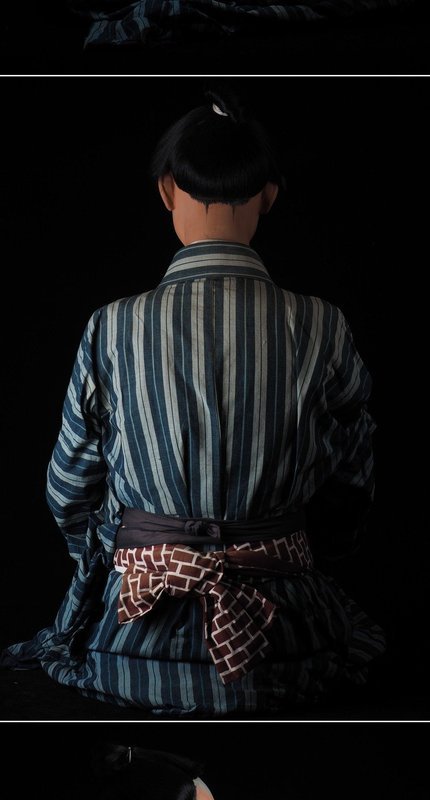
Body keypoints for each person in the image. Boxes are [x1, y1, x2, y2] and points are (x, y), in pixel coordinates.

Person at [1, 91, 385, 716]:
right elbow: (351, 481)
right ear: (269, 195)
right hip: (294, 641)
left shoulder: (110, 326)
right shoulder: (322, 323)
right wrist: (302, 551)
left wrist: (118, 562)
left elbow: (70, 487)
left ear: (166, 190)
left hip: (127, 639)